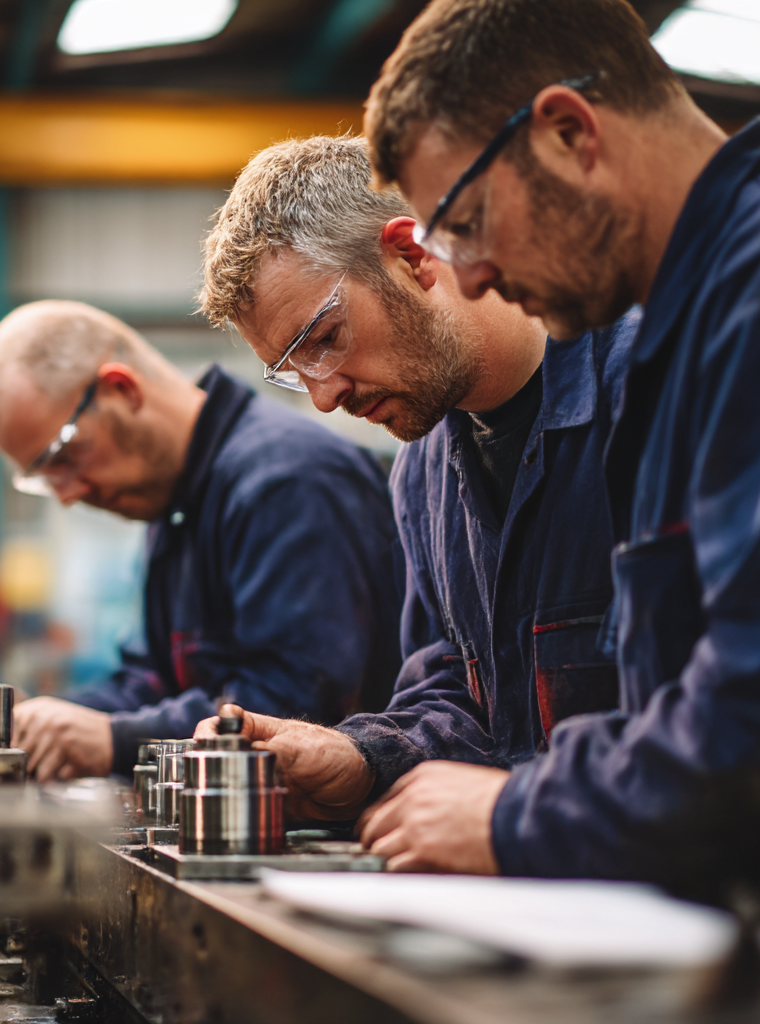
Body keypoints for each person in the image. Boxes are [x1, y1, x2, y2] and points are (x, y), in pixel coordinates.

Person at [245, 0, 760, 914]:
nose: (466, 275)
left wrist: (516, 814)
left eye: (466, 223)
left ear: (568, 133)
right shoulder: (700, 317)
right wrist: (374, 757)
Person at [197, 135, 638, 840]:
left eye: (324, 338)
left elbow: (727, 719)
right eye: (295, 372)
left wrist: (513, 814)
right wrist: (362, 759)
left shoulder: (655, 392)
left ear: (412, 255)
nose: (324, 396)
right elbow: (457, 694)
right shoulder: (423, 474)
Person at [0, 300, 402, 781]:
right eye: (44, 479)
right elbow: (149, 684)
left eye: (64, 456)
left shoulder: (288, 480)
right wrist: (40, 721)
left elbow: (298, 704)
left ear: (122, 390)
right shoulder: (177, 503)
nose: (67, 495)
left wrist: (116, 740)